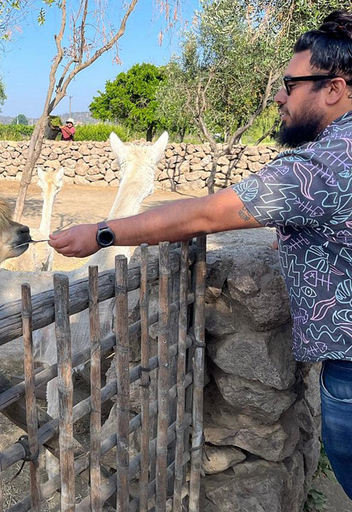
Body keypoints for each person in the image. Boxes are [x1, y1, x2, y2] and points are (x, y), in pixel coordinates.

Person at [48, 10, 352, 499]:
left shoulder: (322, 165)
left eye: (290, 84)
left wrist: (103, 233)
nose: (279, 95)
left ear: (333, 89)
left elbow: (204, 215)